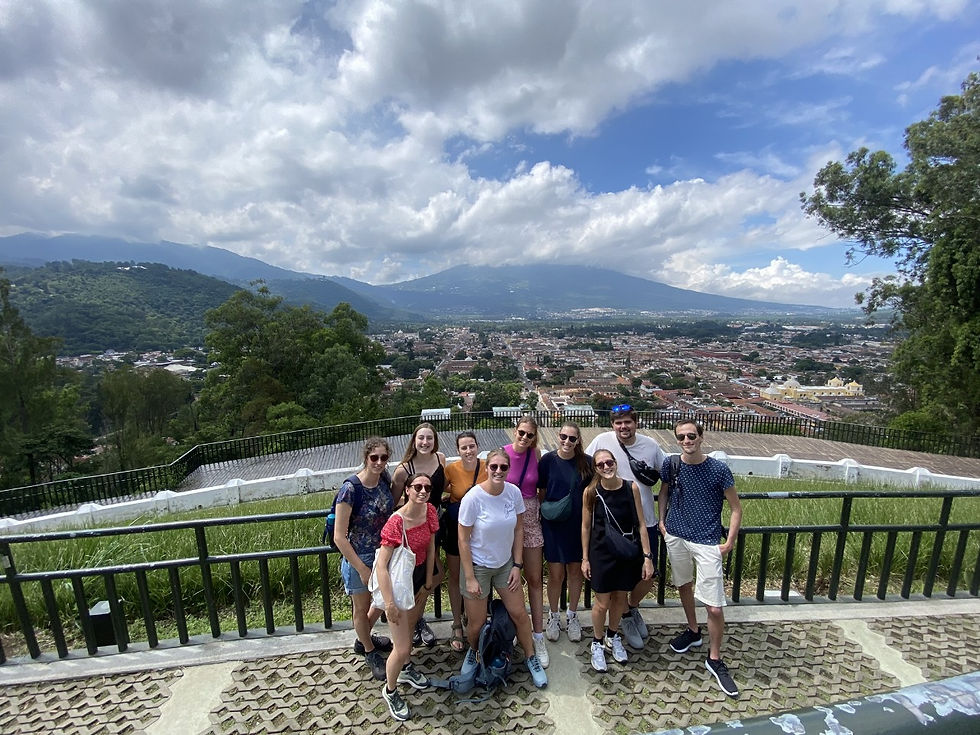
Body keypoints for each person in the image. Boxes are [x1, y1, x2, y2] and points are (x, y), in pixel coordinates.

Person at [658, 419, 743, 698]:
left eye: (691, 436)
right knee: (683, 584)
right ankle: (693, 631)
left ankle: (715, 658)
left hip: (707, 541)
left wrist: (729, 541)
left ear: (701, 437)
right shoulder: (672, 465)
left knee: (715, 606)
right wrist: (662, 523)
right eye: (681, 437)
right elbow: (664, 493)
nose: (686, 441)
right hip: (677, 535)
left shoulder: (718, 470)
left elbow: (735, 508)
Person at [458, 447, 548, 689]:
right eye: (494, 466)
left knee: (519, 613)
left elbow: (519, 529)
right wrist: (469, 577)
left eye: (503, 467)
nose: (498, 471)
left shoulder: (513, 493)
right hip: (478, 567)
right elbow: (463, 539)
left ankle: (531, 657)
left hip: (505, 565)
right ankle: (475, 653)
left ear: (509, 470)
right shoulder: (473, 498)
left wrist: (517, 565)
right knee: (476, 623)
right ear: (486, 468)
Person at [585, 404, 666, 649]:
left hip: (644, 523)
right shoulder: (602, 441)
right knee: (614, 582)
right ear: (612, 425)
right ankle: (616, 625)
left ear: (636, 422)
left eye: (627, 422)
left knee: (647, 575)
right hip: (611, 528)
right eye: (618, 423)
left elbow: (668, 478)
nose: (623, 427)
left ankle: (631, 609)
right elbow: (585, 466)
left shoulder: (651, 446)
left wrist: (662, 516)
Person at [375, 472, 440, 721]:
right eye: (417, 487)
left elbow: (431, 546)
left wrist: (428, 580)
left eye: (427, 487)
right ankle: (390, 690)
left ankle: (404, 669)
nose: (423, 491)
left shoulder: (429, 510)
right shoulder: (396, 522)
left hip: (419, 577)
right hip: (398, 583)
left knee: (410, 628)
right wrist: (389, 603)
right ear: (407, 490)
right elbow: (382, 565)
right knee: (401, 647)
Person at [582, 449, 654, 672]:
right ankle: (597, 641)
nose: (606, 467)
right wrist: (585, 558)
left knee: (620, 599)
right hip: (601, 552)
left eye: (609, 462)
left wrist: (647, 556)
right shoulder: (591, 492)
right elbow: (585, 526)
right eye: (600, 464)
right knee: (602, 602)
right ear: (595, 468)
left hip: (625, 551)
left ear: (615, 463)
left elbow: (641, 523)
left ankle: (613, 637)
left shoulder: (630, 487)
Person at [333, 437, 395, 681]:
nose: (379, 462)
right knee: (361, 608)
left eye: (383, 458)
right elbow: (340, 536)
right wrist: (361, 568)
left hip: (382, 554)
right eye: (374, 458)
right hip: (359, 557)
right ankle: (369, 650)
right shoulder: (351, 489)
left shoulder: (384, 481)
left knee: (379, 601)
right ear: (366, 458)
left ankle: (364, 637)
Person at [392, 422, 447, 646]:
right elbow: (394, 501)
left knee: (431, 576)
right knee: (416, 579)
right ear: (414, 441)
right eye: (421, 438)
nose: (425, 442)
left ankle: (416, 619)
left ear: (435, 441)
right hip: (413, 532)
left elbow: (440, 489)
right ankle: (411, 623)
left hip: (434, 525)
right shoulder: (404, 470)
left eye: (429, 438)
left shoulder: (441, 459)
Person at [537, 421, 592, 643]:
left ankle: (572, 615)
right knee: (555, 573)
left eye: (572, 438)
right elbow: (541, 491)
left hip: (578, 524)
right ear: (557, 437)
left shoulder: (586, 463)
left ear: (578, 440)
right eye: (563, 437)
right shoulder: (548, 460)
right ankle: (553, 615)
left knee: (575, 572)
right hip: (554, 525)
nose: (567, 441)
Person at [504, 416, 548, 667]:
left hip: (529, 516)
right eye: (521, 432)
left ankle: (538, 635)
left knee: (533, 578)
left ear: (535, 437)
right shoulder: (504, 454)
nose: (524, 438)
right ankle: (513, 629)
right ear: (515, 431)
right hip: (506, 518)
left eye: (530, 435)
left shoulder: (536, 454)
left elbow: (539, 487)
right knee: (507, 579)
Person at [442, 430, 487, 652]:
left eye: (472, 446)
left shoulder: (488, 467)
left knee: (480, 573)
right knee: (455, 575)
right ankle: (457, 623)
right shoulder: (451, 470)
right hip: (456, 529)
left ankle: (477, 618)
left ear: (478, 446)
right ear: (458, 451)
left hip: (481, 532)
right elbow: (436, 491)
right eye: (464, 447)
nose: (468, 451)